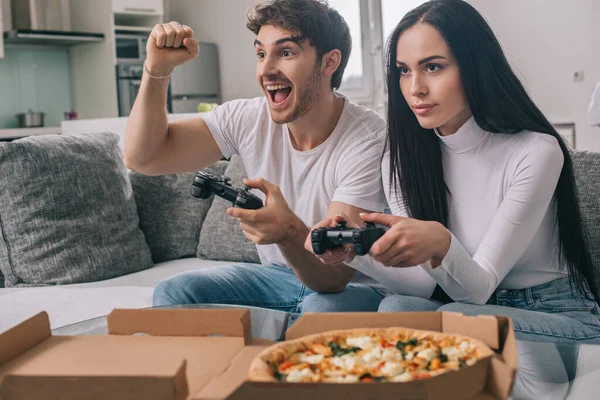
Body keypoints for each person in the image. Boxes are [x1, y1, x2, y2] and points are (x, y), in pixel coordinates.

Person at [310, 0, 600, 343]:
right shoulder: (400, 158)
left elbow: (477, 288)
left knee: (429, 317)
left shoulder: (536, 152)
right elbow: (421, 283)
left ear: (474, 67)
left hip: (554, 313)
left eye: (433, 67)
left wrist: (442, 244)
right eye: (404, 70)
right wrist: (356, 254)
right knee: (363, 307)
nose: (415, 87)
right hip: (471, 309)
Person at [124, 0, 394, 315]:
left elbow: (332, 277)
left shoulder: (367, 137)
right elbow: (144, 157)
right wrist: (157, 72)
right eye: (261, 54)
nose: (266, 70)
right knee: (176, 291)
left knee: (320, 310)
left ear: (329, 62)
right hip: (279, 276)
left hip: (354, 286)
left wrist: (289, 231)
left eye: (286, 52)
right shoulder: (248, 117)